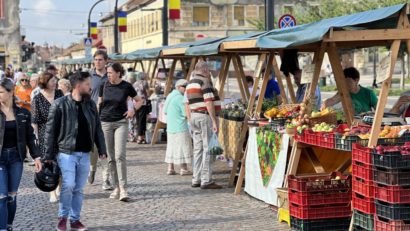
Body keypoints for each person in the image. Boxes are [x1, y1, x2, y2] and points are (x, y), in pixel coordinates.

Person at [43, 72, 107, 231]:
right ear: (78, 85)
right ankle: (62, 217)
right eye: (87, 84)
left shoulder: (91, 104)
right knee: (68, 185)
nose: (90, 87)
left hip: (85, 154)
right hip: (66, 153)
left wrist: (102, 148)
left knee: (78, 188)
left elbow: (97, 128)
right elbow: (50, 132)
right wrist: (48, 156)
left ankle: (75, 219)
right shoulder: (59, 104)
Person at [0, 78, 42, 231]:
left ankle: (9, 226)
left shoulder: (23, 113)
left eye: (1, 92)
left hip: (16, 159)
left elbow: (30, 137)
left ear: (11, 92)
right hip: (0, 159)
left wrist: (37, 156)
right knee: (2, 197)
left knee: (12, 196)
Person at [98, 62, 141, 201]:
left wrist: (132, 110)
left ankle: (123, 188)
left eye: (110, 72)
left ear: (118, 72)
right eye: (107, 73)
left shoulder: (127, 86)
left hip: (121, 122)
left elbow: (139, 100)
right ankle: (116, 186)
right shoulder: (103, 85)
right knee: (110, 157)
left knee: (120, 155)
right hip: (105, 122)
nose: (108, 75)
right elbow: (99, 104)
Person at [186, 60, 222, 190]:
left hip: (194, 116)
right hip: (204, 116)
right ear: (205, 70)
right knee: (208, 148)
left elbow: (188, 103)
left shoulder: (190, 83)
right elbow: (208, 102)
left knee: (198, 149)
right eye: (209, 70)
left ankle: (196, 178)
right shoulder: (204, 81)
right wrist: (213, 120)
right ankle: (206, 180)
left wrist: (190, 118)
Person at [87, 50, 111, 190]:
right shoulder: (90, 76)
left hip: (107, 116)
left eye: (100, 59)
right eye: (96, 59)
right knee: (93, 149)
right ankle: (92, 169)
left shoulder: (110, 75)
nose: (98, 62)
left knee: (105, 147)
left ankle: (105, 178)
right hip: (92, 116)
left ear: (106, 61)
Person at [163, 79, 192, 176]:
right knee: (182, 147)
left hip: (170, 126)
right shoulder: (181, 98)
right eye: (185, 87)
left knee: (171, 147)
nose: (186, 89)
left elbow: (165, 111)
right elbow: (186, 113)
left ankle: (170, 168)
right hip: (180, 126)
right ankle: (183, 168)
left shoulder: (170, 95)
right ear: (179, 87)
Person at [31, 72, 64, 156]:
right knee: (47, 163)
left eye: (55, 80)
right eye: (52, 81)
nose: (55, 82)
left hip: (61, 133)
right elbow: (35, 121)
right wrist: (36, 138)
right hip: (45, 136)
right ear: (45, 82)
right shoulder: (37, 99)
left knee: (62, 162)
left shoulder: (59, 93)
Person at [133, 72, 149, 144]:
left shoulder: (134, 83)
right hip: (143, 103)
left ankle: (140, 136)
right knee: (142, 120)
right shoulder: (145, 83)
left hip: (135, 103)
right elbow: (147, 93)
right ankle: (140, 137)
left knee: (138, 119)